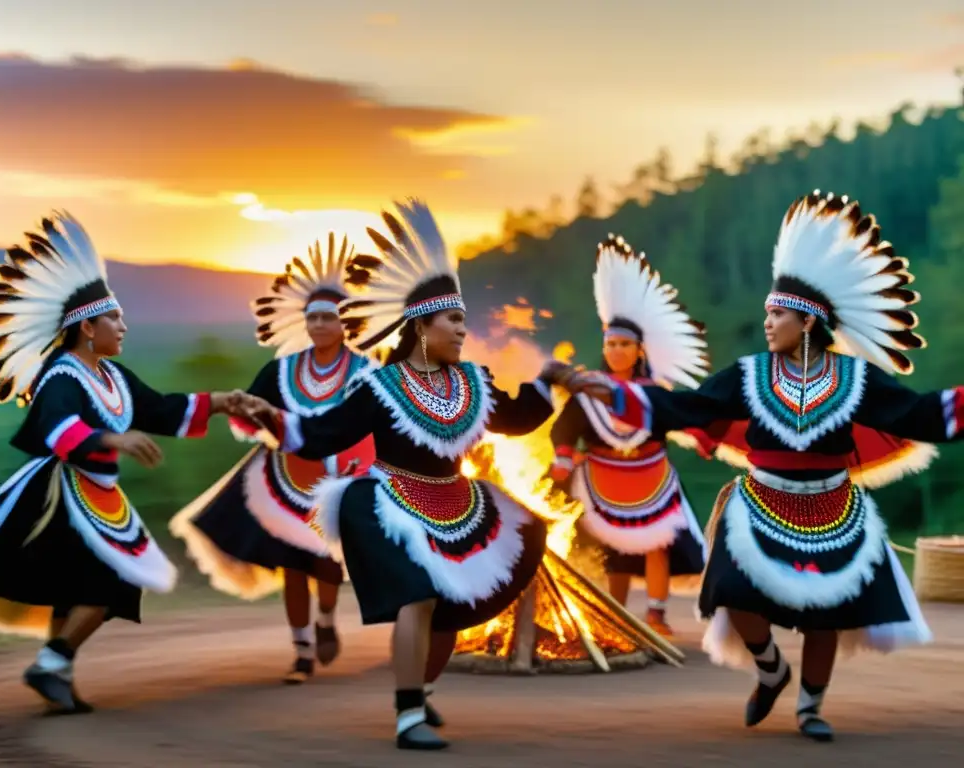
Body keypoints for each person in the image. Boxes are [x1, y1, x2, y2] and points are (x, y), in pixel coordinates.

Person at [235, 199, 604, 750]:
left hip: (456, 504)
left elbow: (518, 418)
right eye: (453, 321)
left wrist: (551, 379)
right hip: (389, 504)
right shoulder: (379, 389)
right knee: (419, 598)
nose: (462, 330)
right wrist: (275, 421)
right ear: (421, 326)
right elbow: (323, 435)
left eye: (463, 320)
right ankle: (407, 715)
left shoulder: (473, 383)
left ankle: (420, 691)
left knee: (450, 614)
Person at [593, 191, 956, 742]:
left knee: (827, 613)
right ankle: (771, 670)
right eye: (766, 312)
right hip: (760, 503)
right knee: (734, 593)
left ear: (808, 322)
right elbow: (689, 407)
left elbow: (918, 413)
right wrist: (609, 393)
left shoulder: (856, 380)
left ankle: (811, 707)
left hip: (833, 509)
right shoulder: (747, 375)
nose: (767, 322)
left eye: (778, 314)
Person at [0, 212, 272, 715]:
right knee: (109, 583)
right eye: (113, 318)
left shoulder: (113, 377)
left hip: (93, 497)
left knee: (77, 590)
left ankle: (57, 672)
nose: (123, 325)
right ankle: (53, 662)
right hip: (55, 497)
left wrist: (226, 400)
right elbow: (56, 431)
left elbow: (160, 408)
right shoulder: (61, 377)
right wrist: (112, 439)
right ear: (87, 328)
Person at [170, 233, 379, 685]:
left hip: (341, 479)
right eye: (314, 318)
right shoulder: (282, 370)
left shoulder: (366, 371)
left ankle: (326, 617)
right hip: (283, 482)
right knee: (293, 567)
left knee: (326, 564)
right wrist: (250, 412)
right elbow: (250, 413)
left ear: (345, 323)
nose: (320, 324)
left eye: (329, 317)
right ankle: (301, 653)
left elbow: (376, 426)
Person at [548, 235, 710, 636]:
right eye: (611, 343)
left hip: (651, 474)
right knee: (612, 550)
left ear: (640, 350)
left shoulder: (655, 392)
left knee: (658, 545)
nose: (617, 350)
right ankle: (614, 616)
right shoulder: (587, 388)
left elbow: (680, 415)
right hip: (601, 474)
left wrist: (704, 436)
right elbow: (565, 425)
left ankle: (656, 614)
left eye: (625, 344)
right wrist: (564, 455)